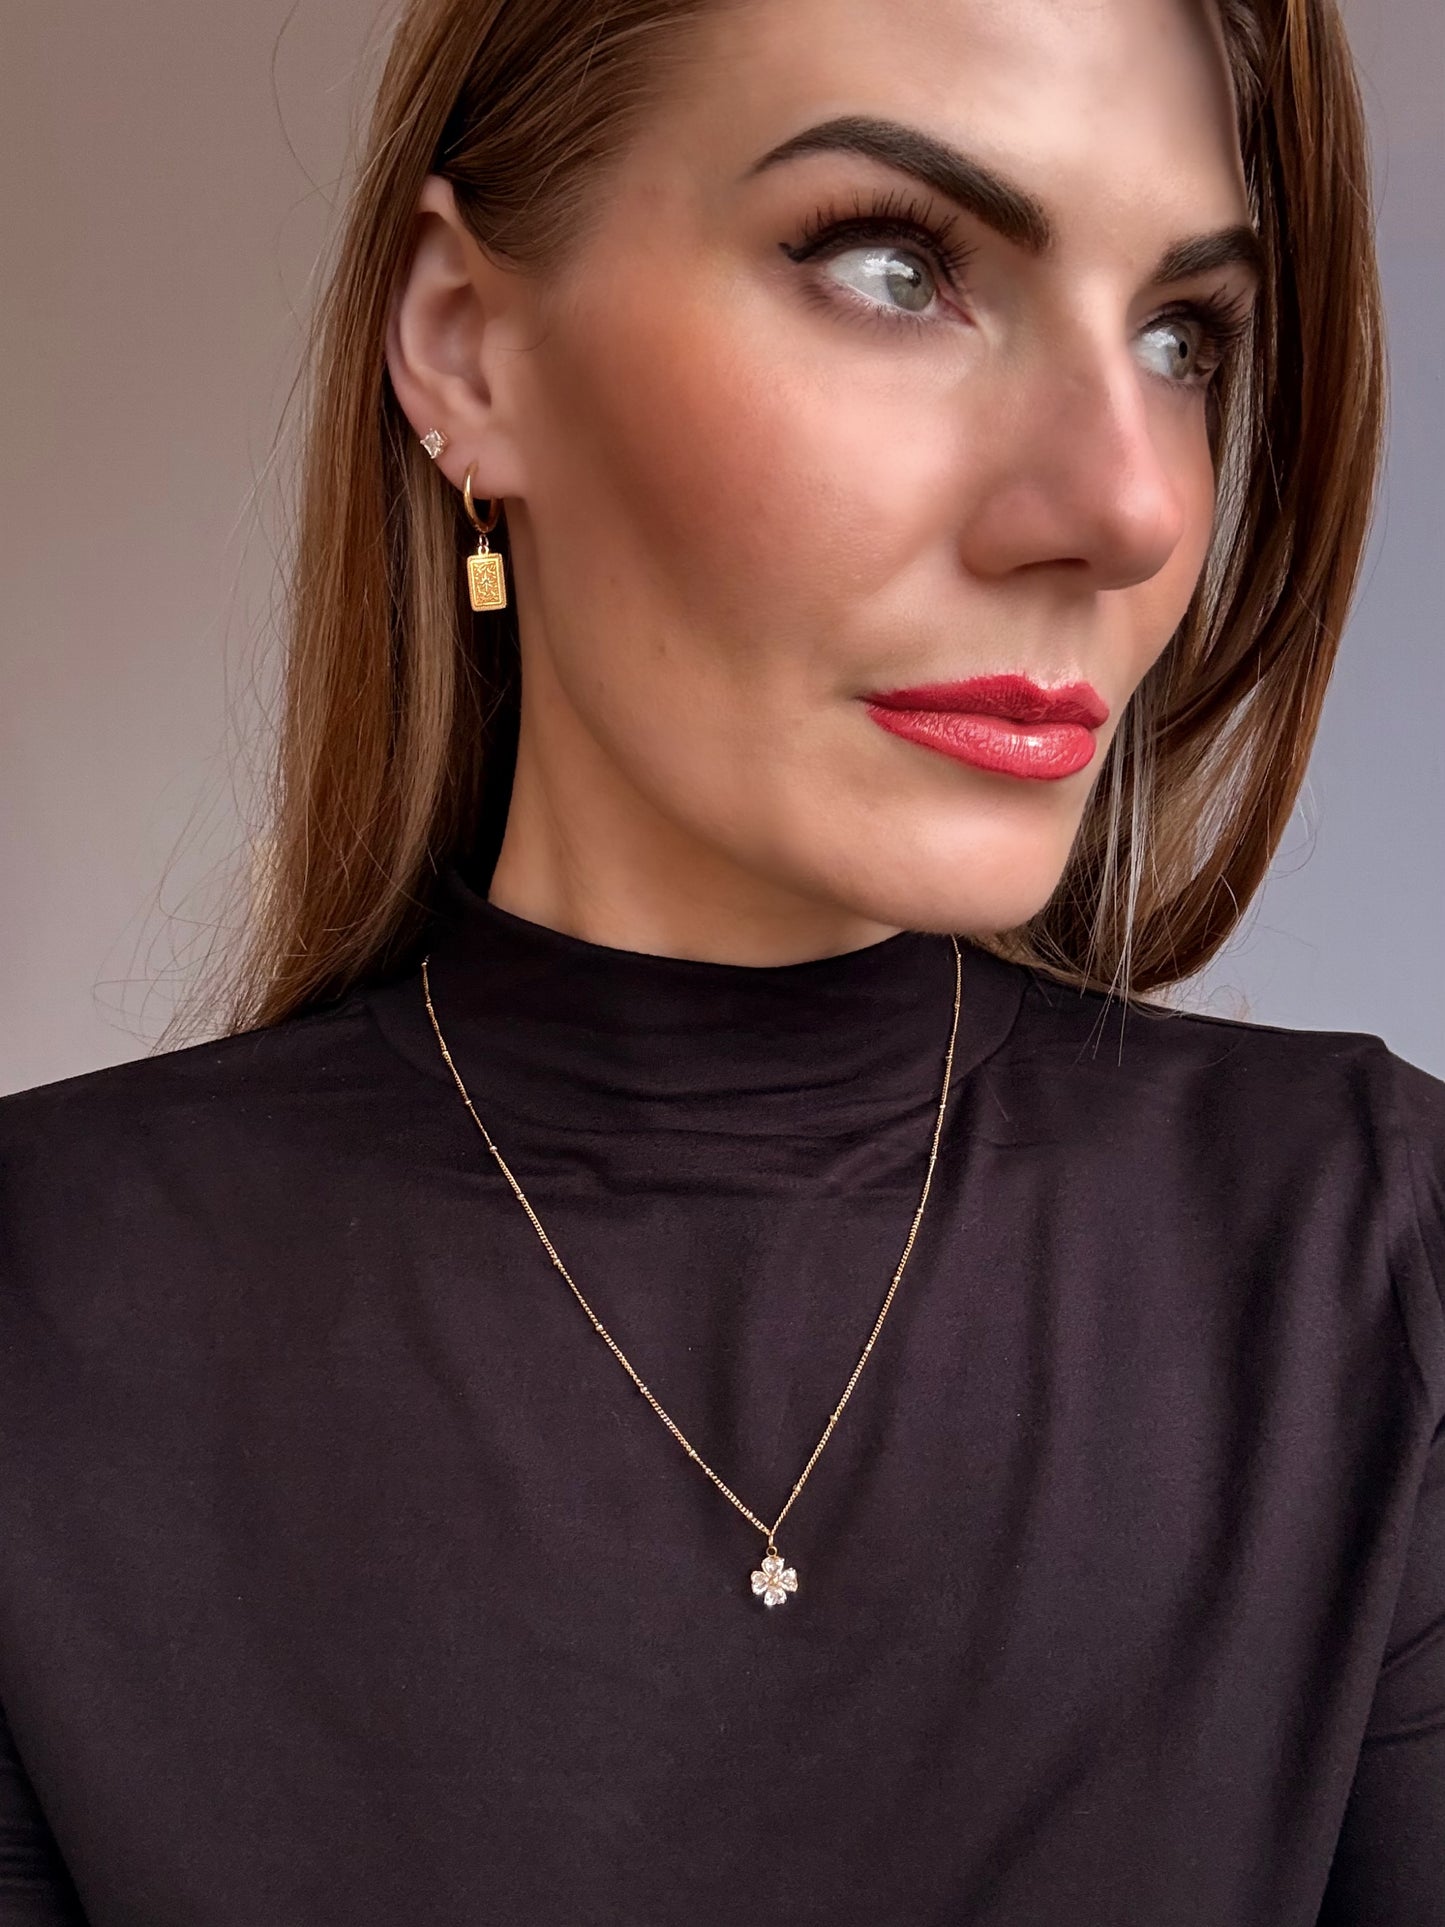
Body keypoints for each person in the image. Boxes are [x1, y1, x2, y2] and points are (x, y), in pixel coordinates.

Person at [1, 0, 1440, 1919]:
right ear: (466, 347)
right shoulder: (46, 1322)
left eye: (1185, 335)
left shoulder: (1375, 1272)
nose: (1129, 505)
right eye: (894, 264)